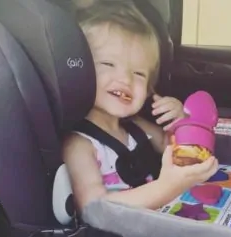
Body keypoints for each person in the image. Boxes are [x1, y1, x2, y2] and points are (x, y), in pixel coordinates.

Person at [63, 0, 218, 213]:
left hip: (152, 226)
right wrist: (165, 188)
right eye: (109, 64)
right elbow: (92, 206)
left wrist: (179, 121)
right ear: (80, 69)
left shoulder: (135, 126)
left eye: (138, 73)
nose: (125, 79)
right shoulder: (79, 144)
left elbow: (169, 147)